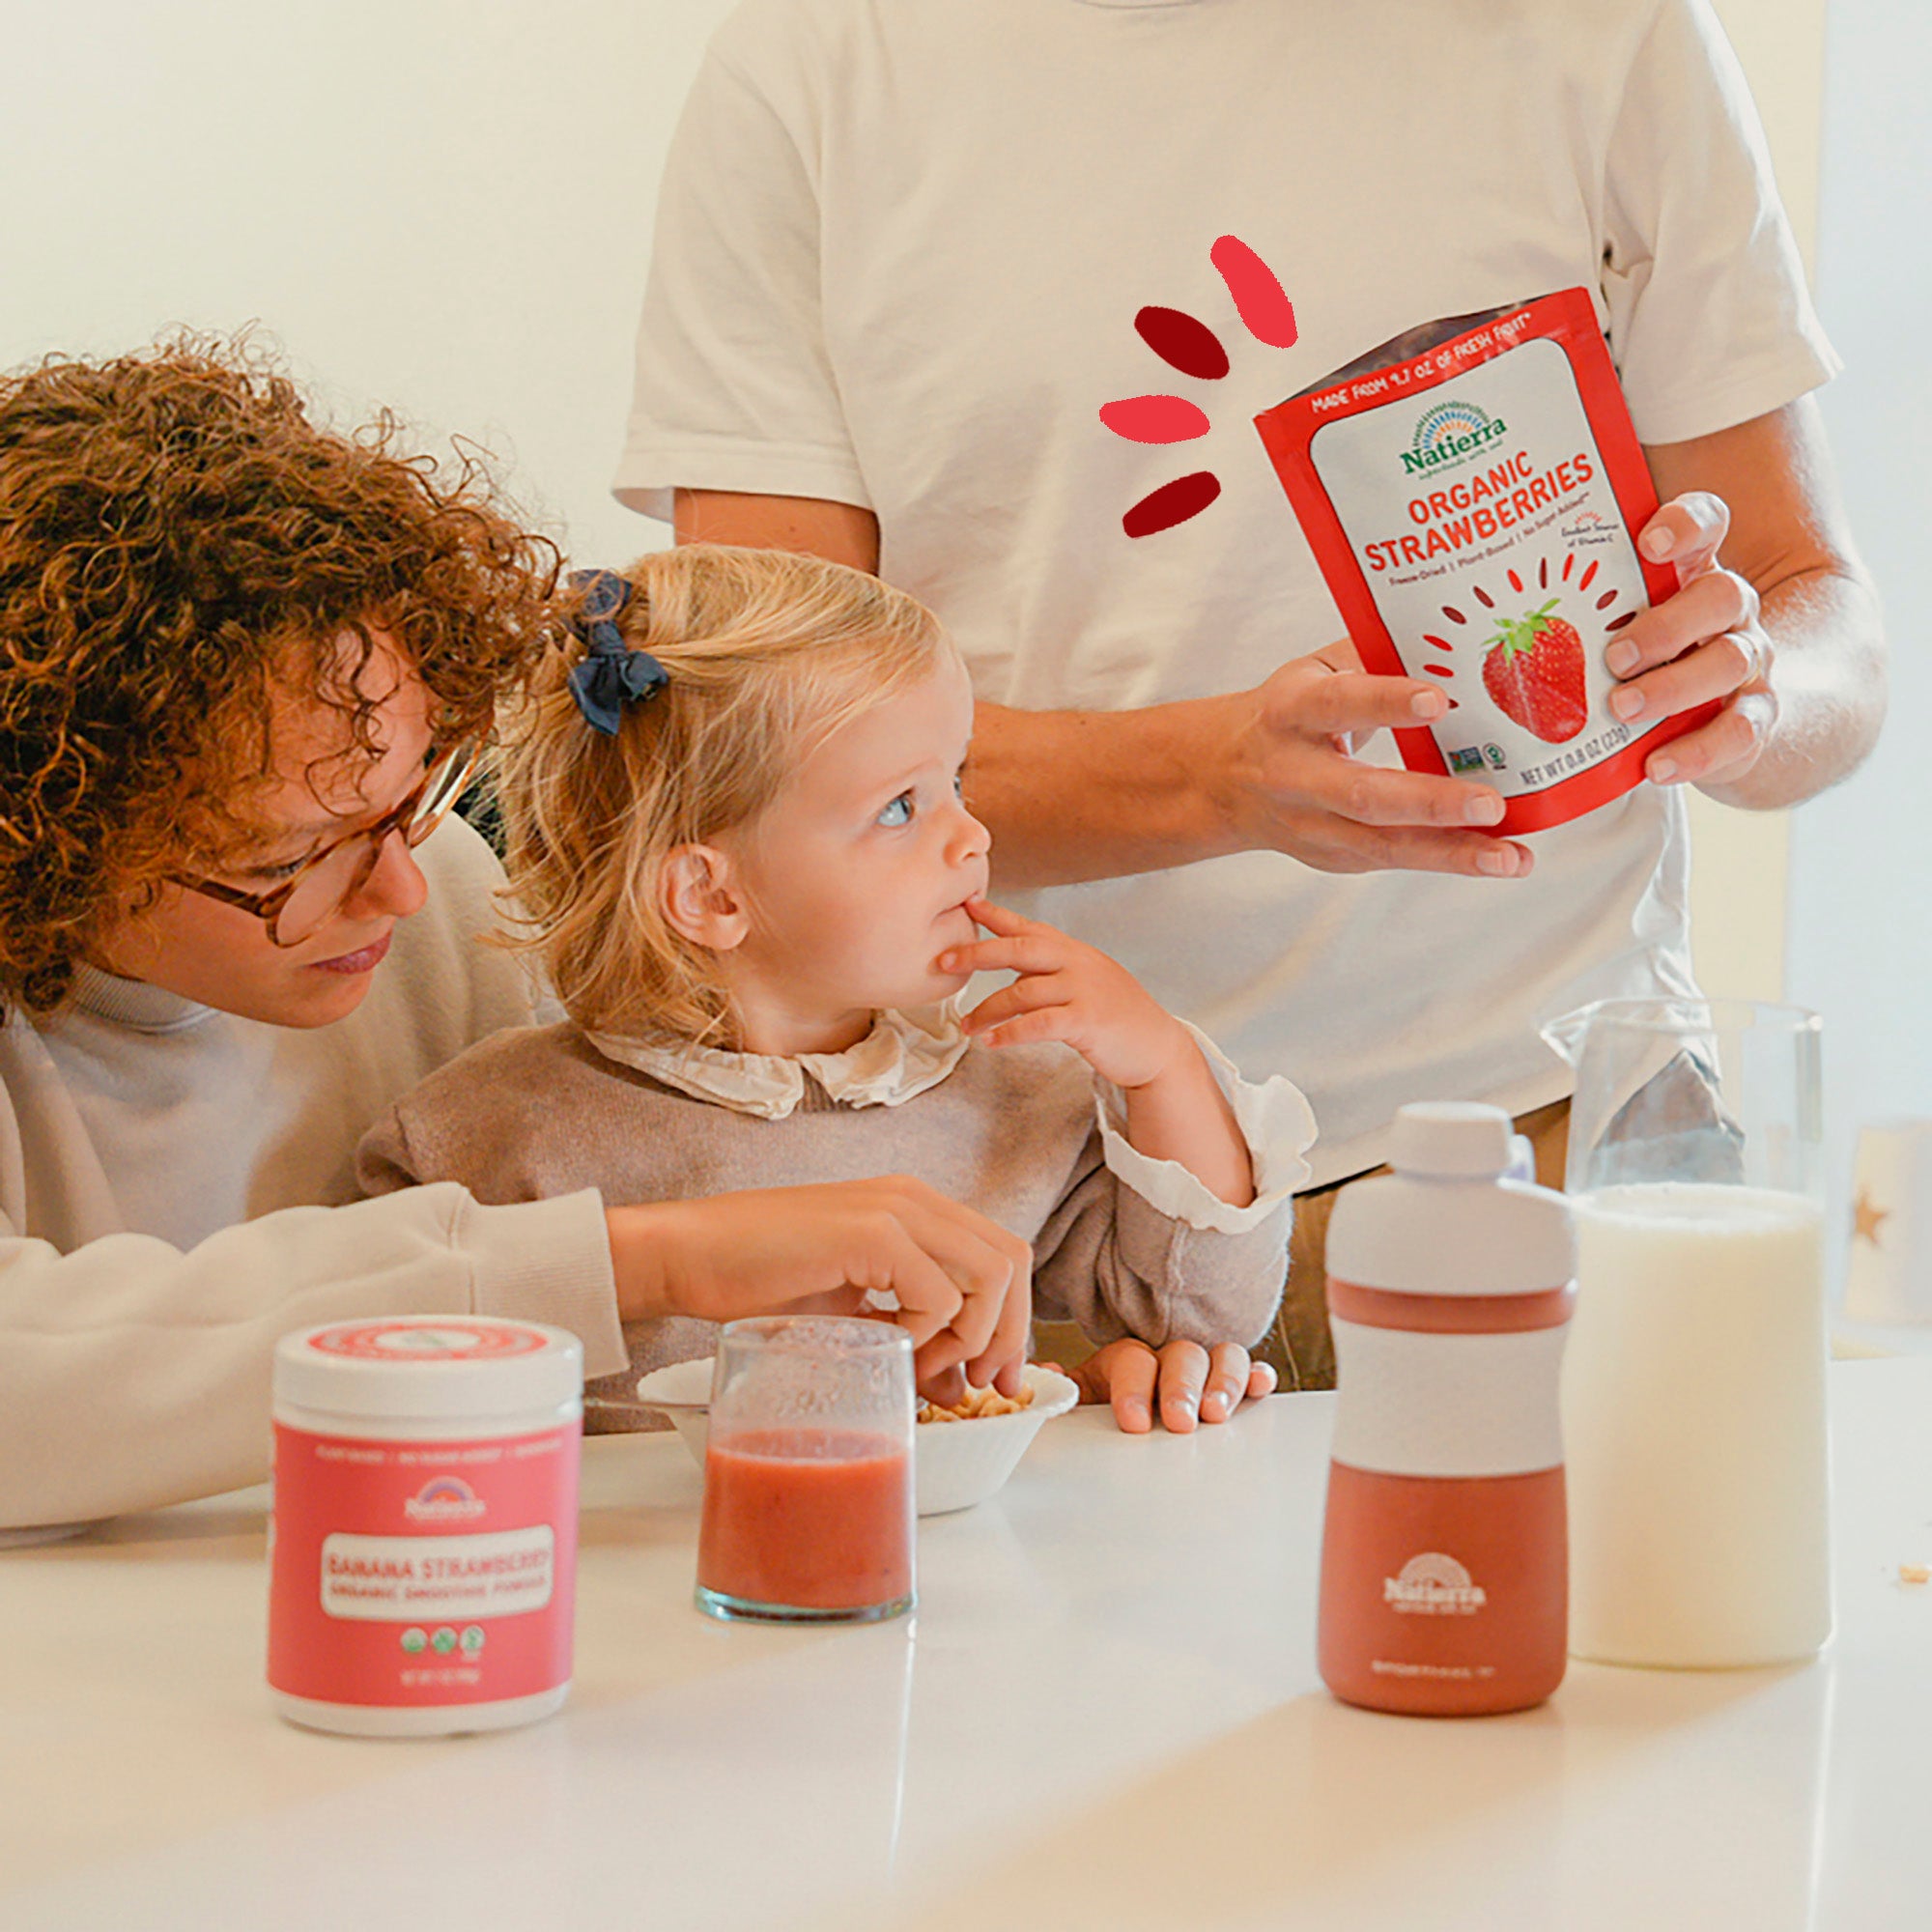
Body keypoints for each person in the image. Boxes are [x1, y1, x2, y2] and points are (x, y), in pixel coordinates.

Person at [613, 0, 1887, 1387]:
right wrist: (1219, 780)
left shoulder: (1608, 29)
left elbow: (1822, 613)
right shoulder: (818, 57)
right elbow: (763, 759)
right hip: (1017, 1213)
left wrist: (1760, 688)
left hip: (1562, 1149)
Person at [0, 341, 1033, 1534]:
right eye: (286, 860)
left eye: (409, 795)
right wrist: (632, 1258)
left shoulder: (440, 895)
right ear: (54, 841)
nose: (396, 888)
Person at [356, 544, 1314, 1431]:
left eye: (957, 783)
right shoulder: (488, 1132)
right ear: (709, 892)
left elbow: (1206, 1309)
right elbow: (372, 1385)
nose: (970, 837)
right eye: (902, 805)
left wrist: (1162, 1067)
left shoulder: (1010, 1090)